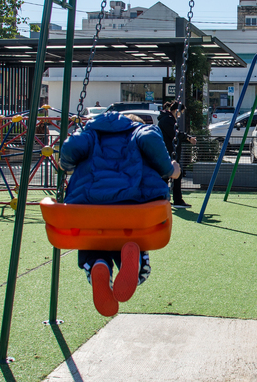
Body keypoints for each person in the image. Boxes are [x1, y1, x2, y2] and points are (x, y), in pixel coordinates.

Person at [59, 111, 180, 317]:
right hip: (133, 205)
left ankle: (99, 263)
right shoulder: (140, 131)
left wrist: (66, 165)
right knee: (130, 236)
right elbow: (150, 140)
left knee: (94, 241)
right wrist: (170, 170)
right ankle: (132, 259)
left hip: (89, 206)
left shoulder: (92, 132)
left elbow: (70, 147)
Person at [158, 100, 197, 209]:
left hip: (169, 151)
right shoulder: (167, 120)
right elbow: (175, 134)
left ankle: (165, 199)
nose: (180, 115)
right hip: (169, 152)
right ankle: (175, 200)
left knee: (168, 176)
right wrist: (188, 138)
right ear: (176, 111)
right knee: (174, 175)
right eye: (180, 112)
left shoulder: (167, 119)